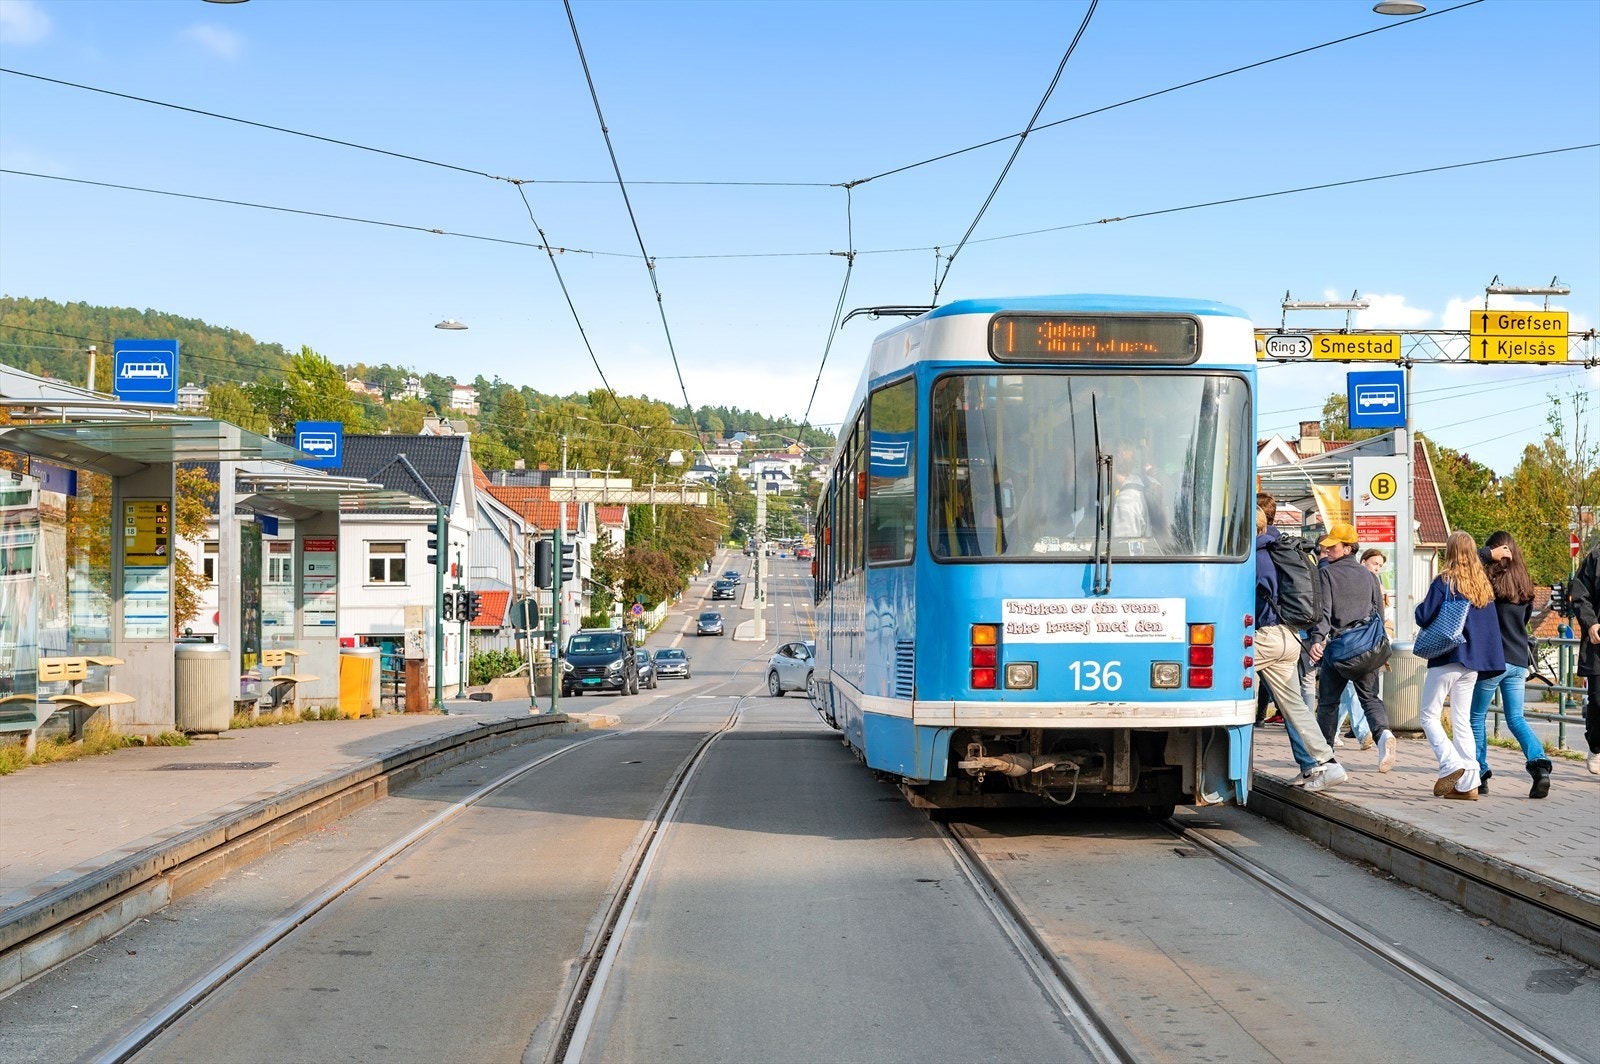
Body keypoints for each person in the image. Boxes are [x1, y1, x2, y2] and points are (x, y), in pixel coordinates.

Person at [1255, 505, 1345, 791]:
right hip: (1289, 637)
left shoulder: (1253, 558)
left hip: (1265, 637)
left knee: (1213, 676)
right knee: (1295, 706)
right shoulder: (1279, 549)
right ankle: (1325, 764)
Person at [1414, 530, 1504, 799]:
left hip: (1448, 656)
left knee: (1429, 715)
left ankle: (1451, 763)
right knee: (1461, 720)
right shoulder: (1482, 585)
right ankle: (1470, 784)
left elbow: (1423, 615)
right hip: (1473, 663)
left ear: (1449, 552)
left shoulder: (1446, 581)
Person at [1467, 531, 1551, 797]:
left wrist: (1485, 555)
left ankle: (1480, 774)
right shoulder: (1525, 586)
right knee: (1516, 718)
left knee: (1476, 717)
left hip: (1493, 661)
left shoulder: (1487, 582)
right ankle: (1539, 766)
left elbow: (1465, 562)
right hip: (1518, 661)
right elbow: (1524, 623)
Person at [1308, 521, 1397, 772]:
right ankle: (1384, 736)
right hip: (1368, 646)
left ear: (1348, 548)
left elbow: (1324, 613)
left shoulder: (1326, 574)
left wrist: (1317, 639)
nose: (1327, 550)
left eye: (1332, 546)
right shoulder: (1369, 576)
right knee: (1370, 698)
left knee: (1328, 703)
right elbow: (1379, 613)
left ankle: (1325, 759)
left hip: (1340, 649)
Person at [1570, 543, 1600, 775]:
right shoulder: (1595, 558)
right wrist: (1590, 624)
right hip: (1598, 643)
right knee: (1598, 701)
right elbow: (1579, 594)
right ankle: (1596, 746)